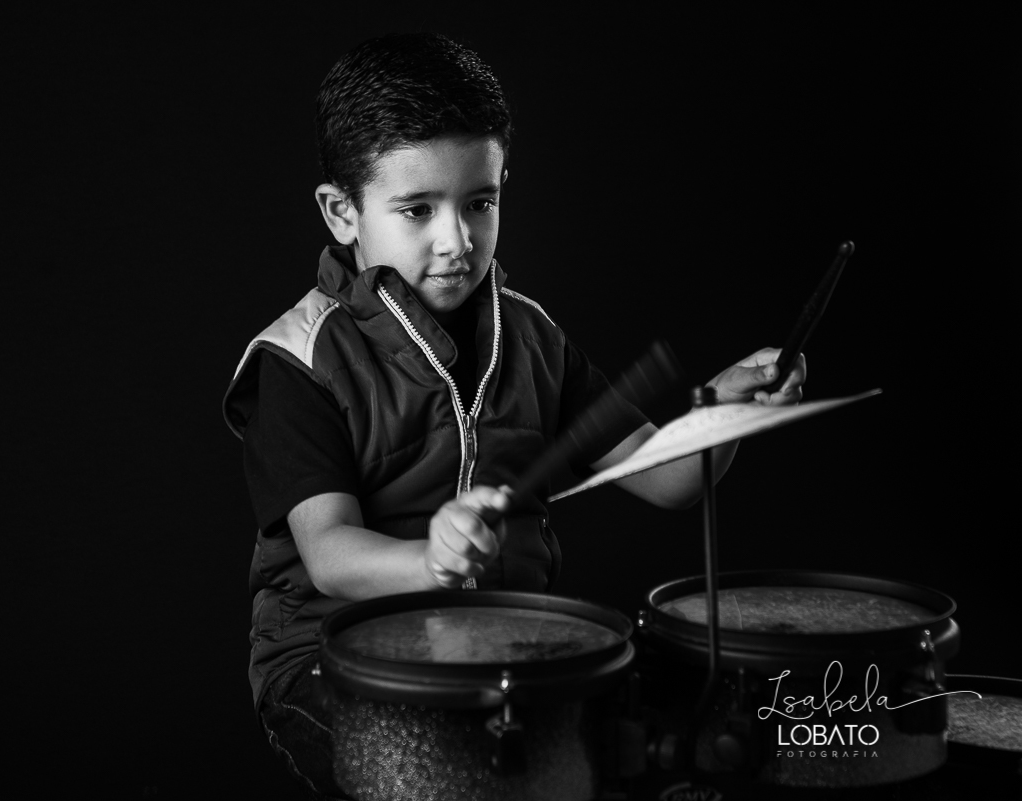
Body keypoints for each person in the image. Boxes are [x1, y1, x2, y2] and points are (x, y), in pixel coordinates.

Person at [222, 33, 806, 800]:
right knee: (451, 777)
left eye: (480, 202)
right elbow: (329, 553)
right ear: (342, 213)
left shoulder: (531, 337)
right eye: (417, 209)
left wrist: (723, 415)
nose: (457, 240)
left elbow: (669, 482)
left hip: (500, 647)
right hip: (334, 658)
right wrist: (427, 561)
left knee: (680, 738)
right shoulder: (295, 359)